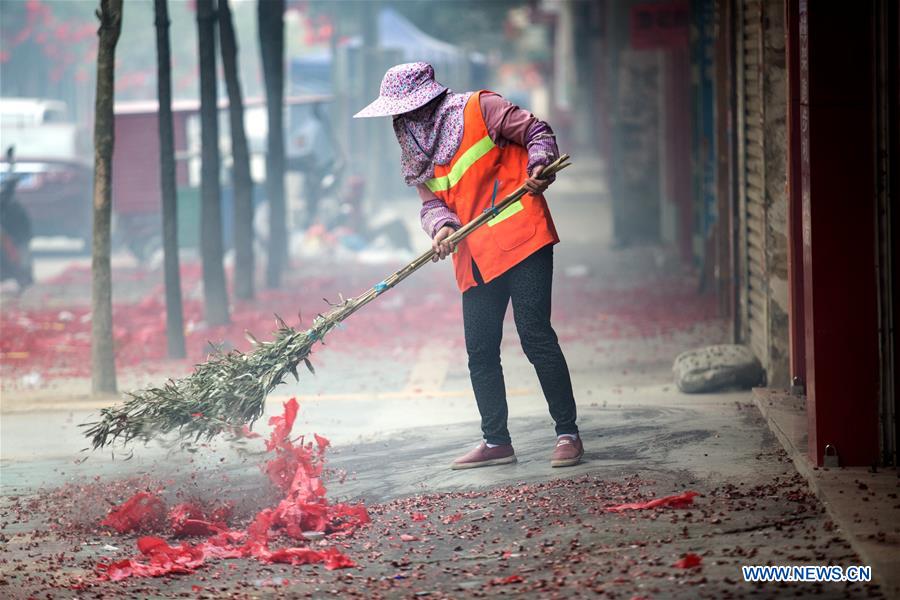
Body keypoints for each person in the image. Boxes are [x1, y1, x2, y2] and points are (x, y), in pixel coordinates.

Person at [354, 62, 581, 469]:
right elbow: (431, 204)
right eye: (396, 113)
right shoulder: (414, 151)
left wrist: (538, 167)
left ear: (425, 101)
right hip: (475, 257)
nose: (401, 119)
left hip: (522, 239)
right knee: (480, 351)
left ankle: (568, 432)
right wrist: (441, 228)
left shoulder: (481, 107)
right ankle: (496, 441)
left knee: (534, 334)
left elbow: (537, 132)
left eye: (405, 109)